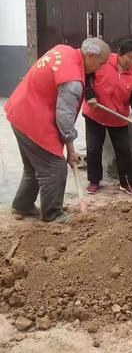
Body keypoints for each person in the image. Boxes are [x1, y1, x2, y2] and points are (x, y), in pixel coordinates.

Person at [4, 38, 110, 223]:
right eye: (100, 63)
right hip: (33, 120)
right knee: (54, 168)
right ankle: (53, 215)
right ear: (90, 56)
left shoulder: (65, 50)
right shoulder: (72, 80)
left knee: (34, 167)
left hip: (20, 110)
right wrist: (70, 150)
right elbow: (65, 117)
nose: (99, 69)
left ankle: (22, 205)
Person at [82, 38, 132, 195]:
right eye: (130, 57)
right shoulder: (102, 61)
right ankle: (94, 181)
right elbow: (86, 78)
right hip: (95, 113)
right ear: (119, 54)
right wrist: (89, 95)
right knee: (93, 147)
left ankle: (126, 182)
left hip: (118, 117)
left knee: (123, 149)